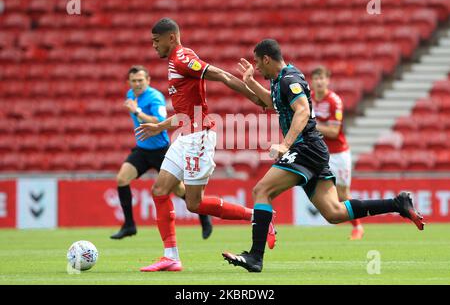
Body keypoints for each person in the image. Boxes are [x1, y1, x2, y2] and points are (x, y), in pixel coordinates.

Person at [222, 39, 424, 273]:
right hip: (313, 150)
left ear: (267, 59)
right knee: (334, 213)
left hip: (304, 147)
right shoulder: (280, 81)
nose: (256, 67)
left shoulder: (290, 79)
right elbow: (269, 102)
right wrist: (249, 82)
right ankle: (397, 203)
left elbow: (303, 110)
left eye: (258, 62)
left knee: (261, 190)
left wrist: (285, 144)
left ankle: (255, 257)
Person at [135, 18, 277, 272]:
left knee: (193, 204)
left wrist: (256, 99)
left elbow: (221, 75)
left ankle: (257, 217)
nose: (154, 46)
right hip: (185, 134)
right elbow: (186, 113)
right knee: (159, 190)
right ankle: (171, 257)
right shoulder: (175, 61)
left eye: (157, 41)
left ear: (171, 38)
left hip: (198, 137)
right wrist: (159, 126)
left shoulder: (182, 58)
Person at [110, 65, 213, 240]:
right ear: (129, 82)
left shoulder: (155, 97)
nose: (137, 84)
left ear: (148, 80)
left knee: (179, 190)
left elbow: (159, 120)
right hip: (142, 150)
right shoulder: (130, 95)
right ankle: (129, 225)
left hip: (160, 151)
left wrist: (137, 111)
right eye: (133, 81)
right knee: (121, 179)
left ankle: (203, 216)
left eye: (140, 80)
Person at [311, 66, 364, 240]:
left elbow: (334, 132)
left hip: (338, 154)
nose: (319, 81)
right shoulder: (309, 100)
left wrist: (310, 125)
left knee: (342, 194)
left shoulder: (334, 101)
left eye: (322, 78)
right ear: (312, 81)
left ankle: (358, 227)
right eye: (316, 78)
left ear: (327, 80)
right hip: (319, 154)